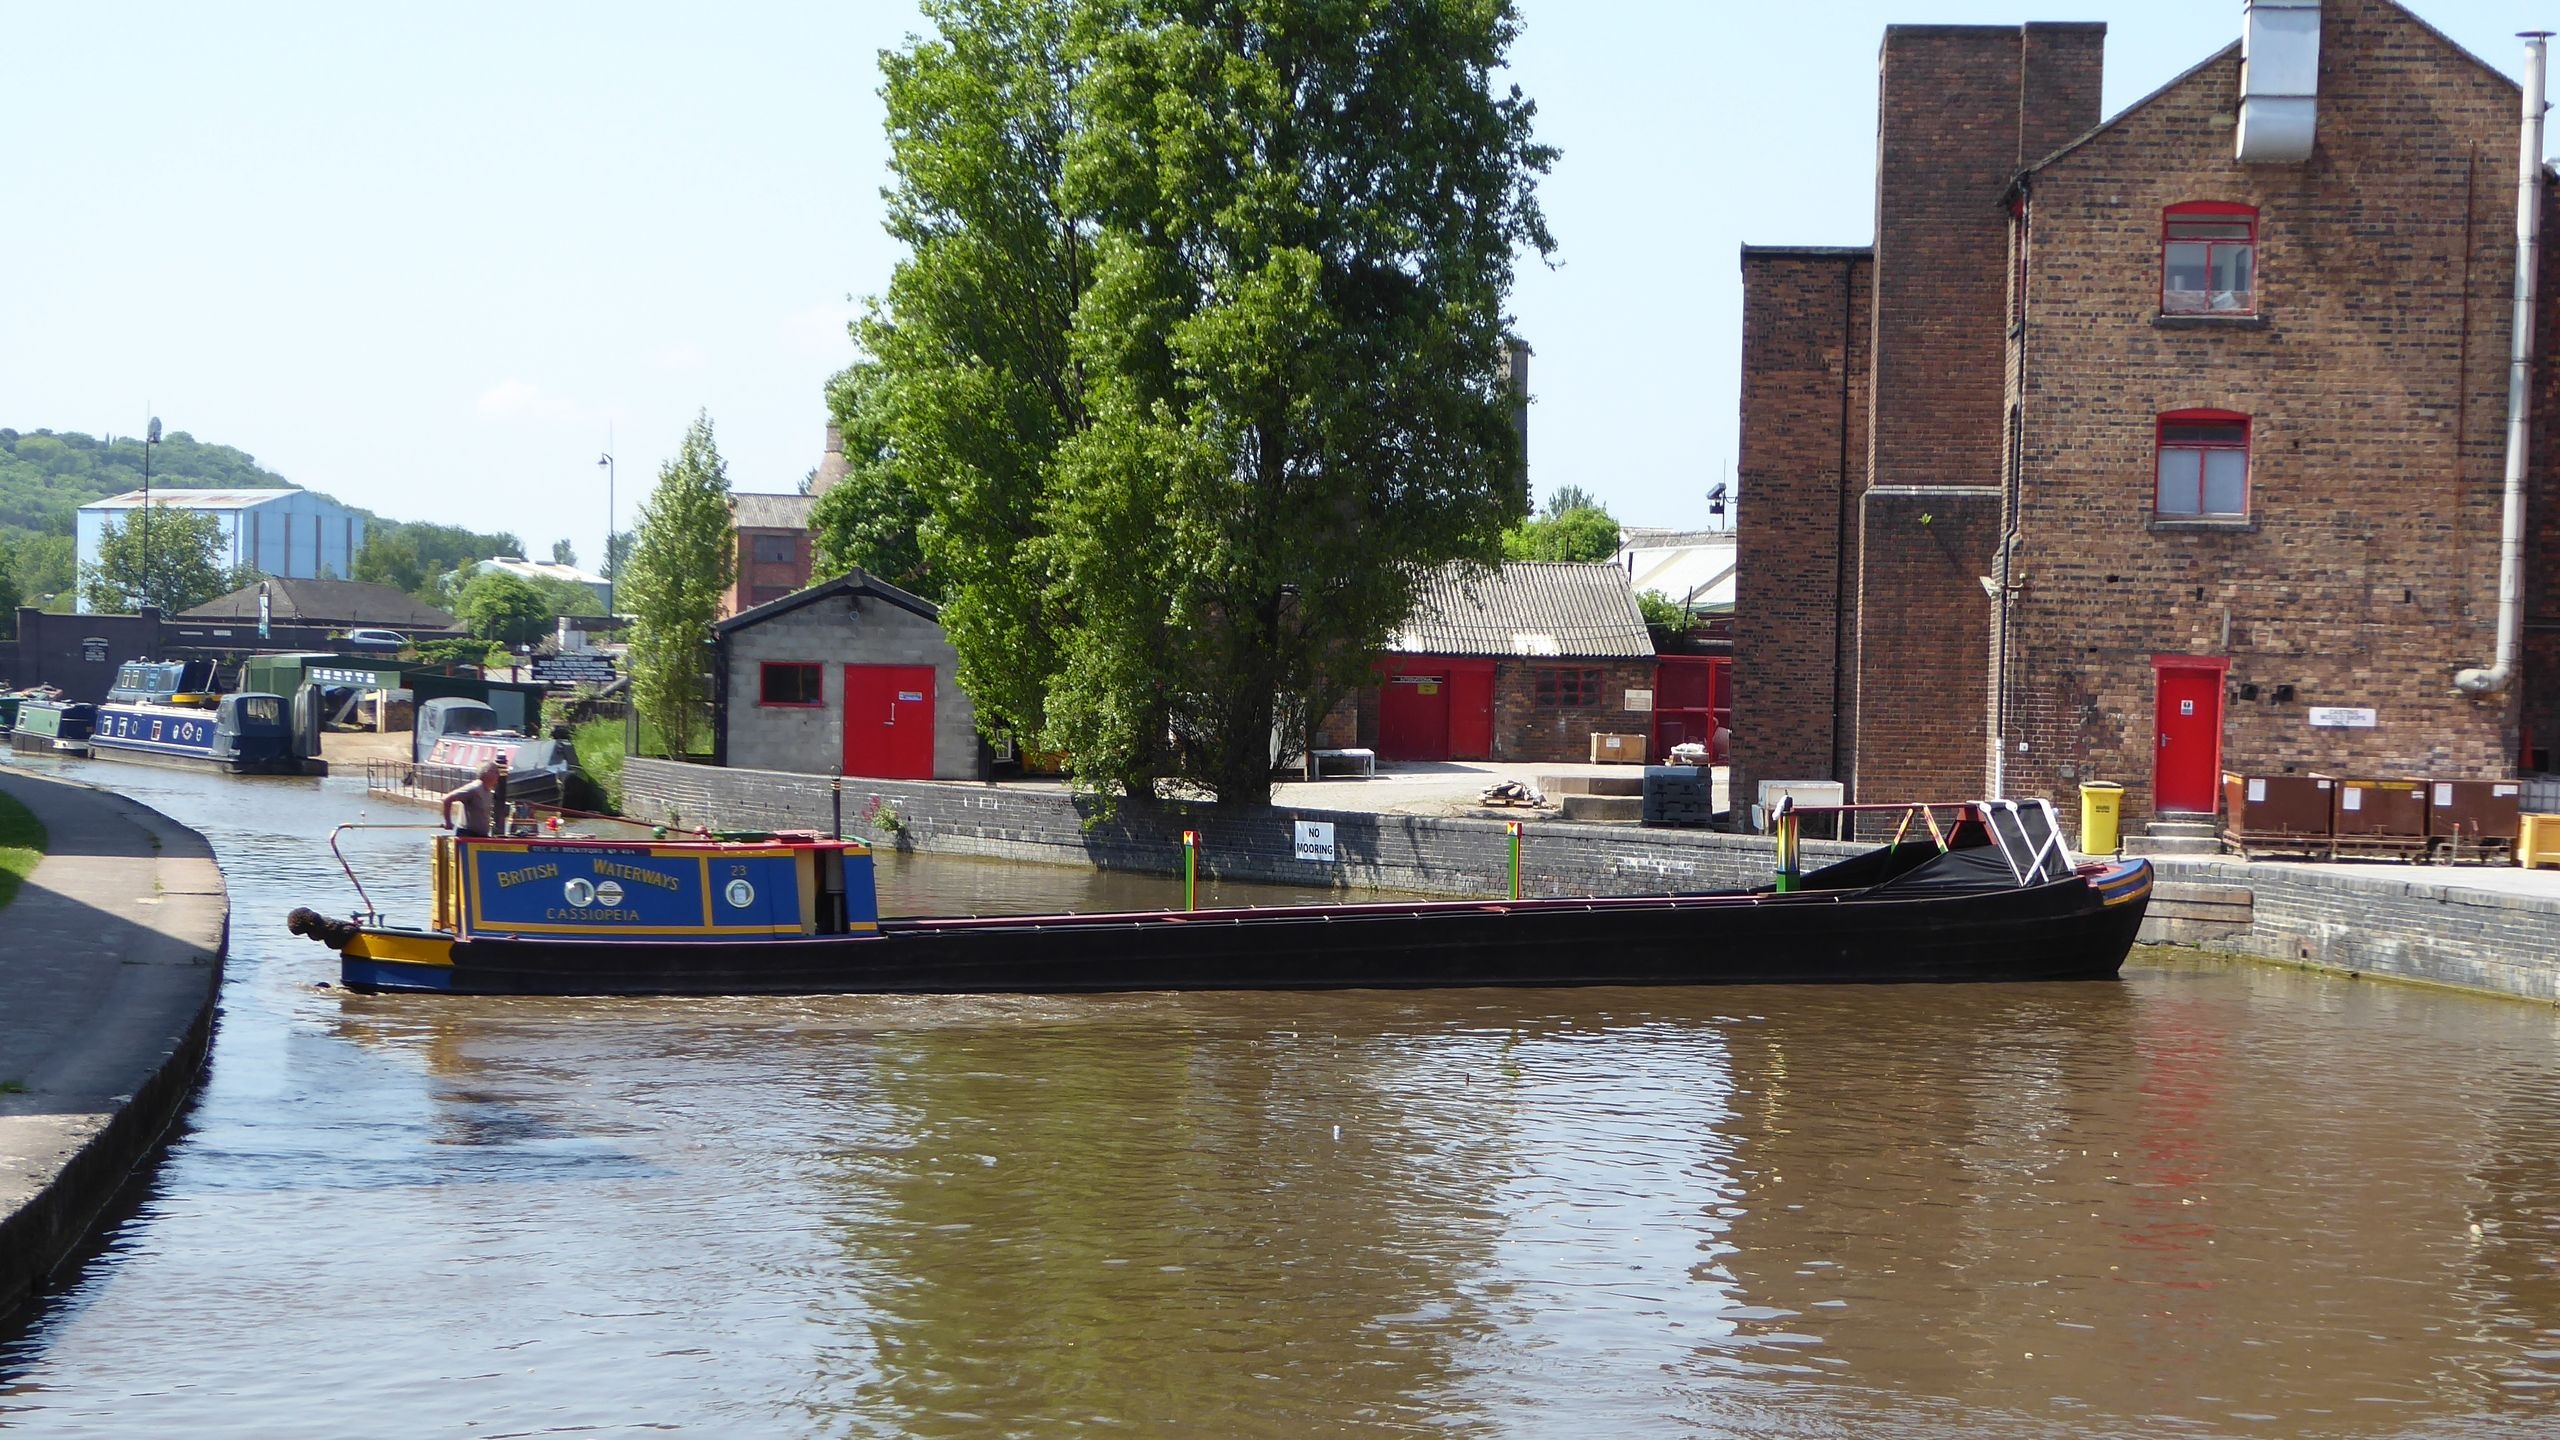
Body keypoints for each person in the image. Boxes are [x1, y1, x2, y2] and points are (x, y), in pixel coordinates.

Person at [441, 761, 508, 838]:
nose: (498, 775)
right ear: (487, 773)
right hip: (467, 835)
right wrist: (448, 822)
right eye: (495, 772)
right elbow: (447, 799)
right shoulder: (474, 789)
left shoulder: (488, 791)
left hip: (481, 836)